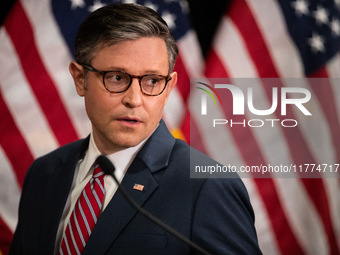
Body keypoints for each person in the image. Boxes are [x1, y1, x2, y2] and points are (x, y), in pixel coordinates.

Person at [9, 3, 262, 255]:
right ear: (80, 79)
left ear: (169, 87)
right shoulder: (44, 175)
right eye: (117, 78)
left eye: (152, 81)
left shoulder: (208, 187)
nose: (134, 99)